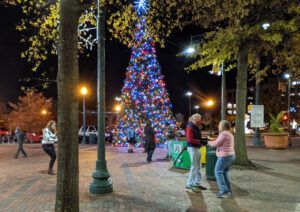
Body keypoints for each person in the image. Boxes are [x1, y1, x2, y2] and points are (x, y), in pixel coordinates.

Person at [208, 120, 235, 198]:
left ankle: (223, 189)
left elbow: (216, 144)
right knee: (224, 173)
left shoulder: (223, 134)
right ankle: (229, 191)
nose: (218, 126)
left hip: (224, 156)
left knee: (217, 171)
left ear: (223, 126)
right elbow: (219, 142)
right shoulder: (230, 134)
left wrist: (208, 142)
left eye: (219, 125)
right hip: (230, 155)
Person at [185, 113, 207, 193]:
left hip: (196, 147)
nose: (200, 121)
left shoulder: (195, 127)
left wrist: (202, 140)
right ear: (195, 119)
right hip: (192, 148)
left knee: (198, 167)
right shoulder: (190, 127)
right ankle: (189, 185)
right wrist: (200, 141)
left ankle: (196, 184)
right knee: (194, 167)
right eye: (199, 119)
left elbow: (195, 138)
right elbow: (190, 139)